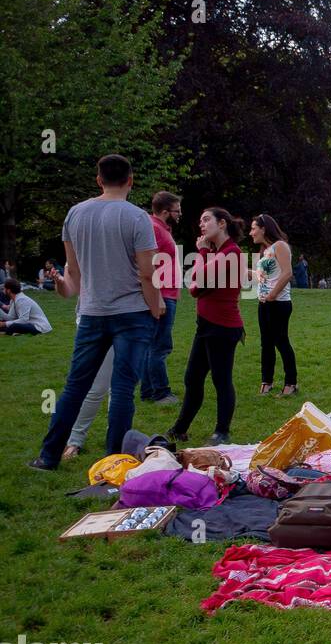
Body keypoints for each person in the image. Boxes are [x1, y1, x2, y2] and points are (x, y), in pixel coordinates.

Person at [28, 154, 163, 471]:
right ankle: (112, 463)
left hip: (91, 313)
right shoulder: (136, 217)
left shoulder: (75, 214)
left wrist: (62, 285)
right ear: (130, 180)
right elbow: (147, 272)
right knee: (123, 390)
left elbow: (72, 273)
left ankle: (48, 457)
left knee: (76, 386)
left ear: (98, 179)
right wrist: (155, 305)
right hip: (131, 314)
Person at [167, 207, 246, 446]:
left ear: (222, 224)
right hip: (206, 327)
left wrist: (201, 251)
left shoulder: (231, 253)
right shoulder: (217, 254)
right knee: (192, 378)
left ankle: (222, 432)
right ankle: (180, 429)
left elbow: (197, 282)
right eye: (200, 220)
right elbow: (196, 287)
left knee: (221, 380)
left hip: (223, 328)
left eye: (206, 220)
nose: (201, 225)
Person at [140, 191, 182, 405]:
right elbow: (149, 265)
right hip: (162, 295)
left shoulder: (160, 228)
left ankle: (147, 391)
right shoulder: (155, 229)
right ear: (165, 212)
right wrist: (158, 298)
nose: (180, 214)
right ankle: (161, 393)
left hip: (166, 293)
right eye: (177, 210)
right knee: (160, 346)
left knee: (152, 344)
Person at [250, 213, 298, 397]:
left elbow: (287, 273)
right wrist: (246, 272)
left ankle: (291, 383)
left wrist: (272, 295)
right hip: (264, 304)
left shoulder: (280, 246)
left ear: (263, 228)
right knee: (266, 344)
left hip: (278, 304)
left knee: (281, 341)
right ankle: (266, 382)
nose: (251, 232)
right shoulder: (266, 250)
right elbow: (263, 277)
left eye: (253, 228)